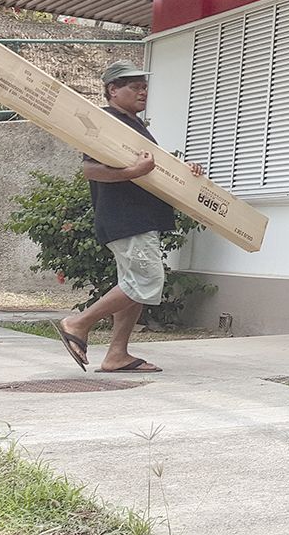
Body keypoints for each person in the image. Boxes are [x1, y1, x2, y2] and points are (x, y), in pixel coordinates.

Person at [53, 61, 202, 374]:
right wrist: (134, 172)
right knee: (147, 280)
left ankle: (116, 355)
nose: (142, 91)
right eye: (134, 86)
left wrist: (187, 174)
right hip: (126, 218)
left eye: (144, 86)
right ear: (112, 90)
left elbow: (154, 172)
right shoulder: (107, 121)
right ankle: (78, 324)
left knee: (133, 286)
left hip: (136, 217)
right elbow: (89, 169)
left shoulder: (133, 125)